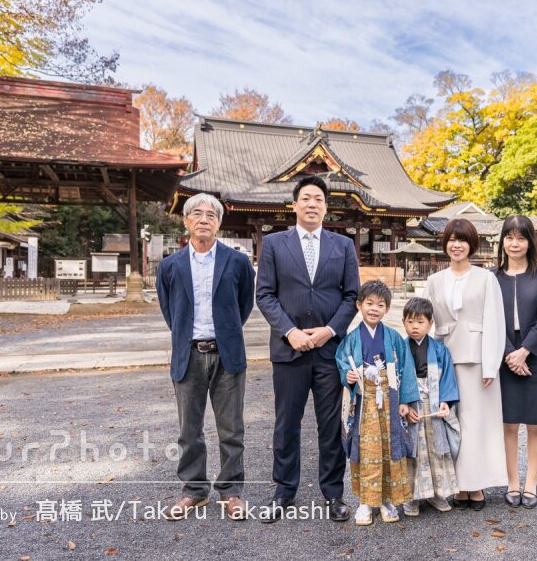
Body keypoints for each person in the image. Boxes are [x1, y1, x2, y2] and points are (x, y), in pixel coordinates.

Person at [255, 175, 361, 523]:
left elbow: (350, 296)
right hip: (290, 351)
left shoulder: (343, 245)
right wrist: (290, 332)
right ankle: (284, 491)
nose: (312, 203)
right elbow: (265, 294)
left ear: (326, 206)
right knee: (287, 423)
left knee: (330, 425)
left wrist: (330, 330)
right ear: (295, 204)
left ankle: (333, 493)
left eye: (319, 198)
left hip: (330, 351)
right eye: (306, 198)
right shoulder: (273, 244)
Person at [155, 193, 256, 521]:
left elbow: (244, 305)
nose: (203, 219)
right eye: (196, 214)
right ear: (185, 222)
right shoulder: (170, 265)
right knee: (189, 429)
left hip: (227, 354)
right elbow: (170, 310)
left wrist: (225, 333)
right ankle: (194, 490)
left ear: (218, 223)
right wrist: (188, 336)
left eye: (210, 215)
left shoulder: (237, 262)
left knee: (231, 428)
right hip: (188, 354)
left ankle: (231, 491)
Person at [424, 218, 507, 510]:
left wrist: (490, 364)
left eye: (462, 240)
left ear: (471, 244)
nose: (456, 245)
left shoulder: (486, 278)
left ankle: (477, 485)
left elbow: (495, 322)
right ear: (445, 243)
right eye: (451, 239)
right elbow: (423, 323)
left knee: (477, 424)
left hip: (477, 360)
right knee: (451, 423)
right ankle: (458, 486)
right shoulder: (434, 281)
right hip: (444, 359)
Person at [335, 281, 419, 525]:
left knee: (390, 448)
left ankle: (387, 499)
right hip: (364, 401)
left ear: (388, 308)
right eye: (369, 304)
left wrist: (405, 400)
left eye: (380, 305)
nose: (374, 309)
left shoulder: (393, 337)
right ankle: (364, 502)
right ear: (359, 305)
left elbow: (406, 368)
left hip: (390, 400)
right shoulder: (351, 339)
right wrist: (348, 376)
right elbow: (342, 363)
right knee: (364, 449)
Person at [494, 215, 537, 510]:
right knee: (508, 424)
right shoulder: (492, 277)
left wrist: (524, 352)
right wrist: (510, 353)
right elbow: (491, 320)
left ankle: (531, 483)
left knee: (535, 424)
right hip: (503, 354)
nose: (515, 243)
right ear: (502, 242)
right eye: (509, 237)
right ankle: (511, 482)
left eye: (521, 238)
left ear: (530, 241)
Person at [399, 297, 460, 517]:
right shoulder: (400, 348)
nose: (415, 326)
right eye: (410, 322)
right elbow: (395, 378)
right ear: (403, 322)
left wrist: (446, 401)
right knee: (412, 451)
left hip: (433, 402)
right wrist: (403, 403)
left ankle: (437, 493)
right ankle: (410, 497)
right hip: (411, 404)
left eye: (420, 322)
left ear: (430, 323)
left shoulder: (439, 349)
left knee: (436, 450)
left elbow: (448, 378)